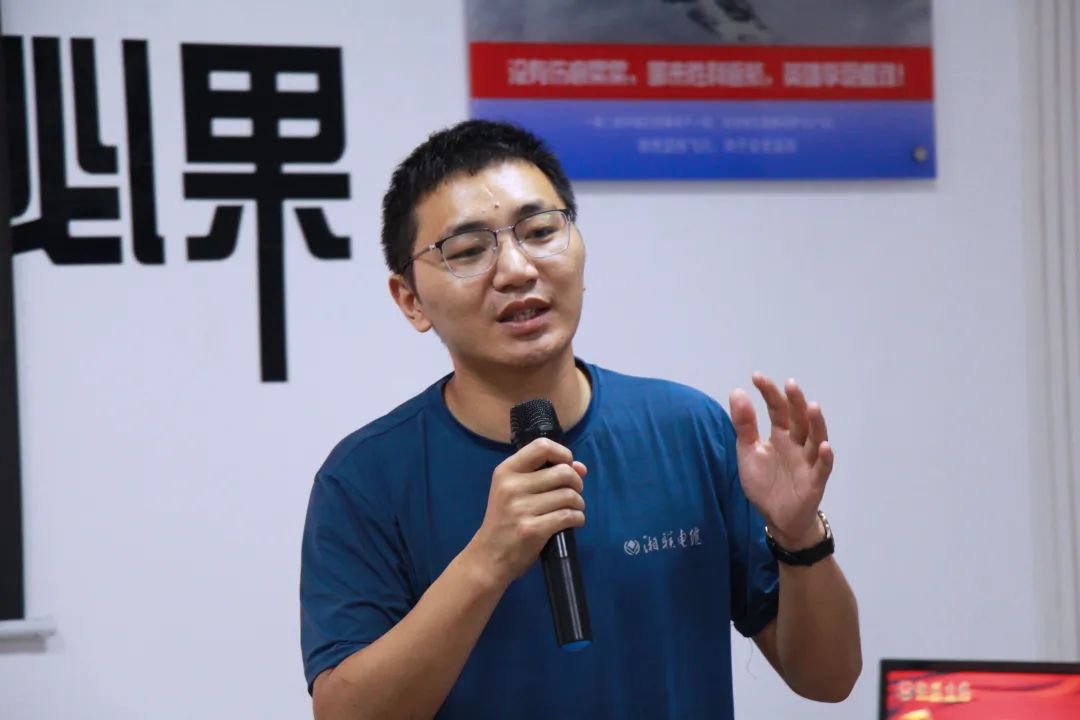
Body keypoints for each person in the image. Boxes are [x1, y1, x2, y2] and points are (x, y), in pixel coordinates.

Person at [300, 120, 861, 719]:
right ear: (410, 300)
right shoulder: (366, 478)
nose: (516, 269)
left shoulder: (688, 431)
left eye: (541, 231)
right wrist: (487, 561)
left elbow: (828, 679)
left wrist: (799, 538)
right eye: (467, 251)